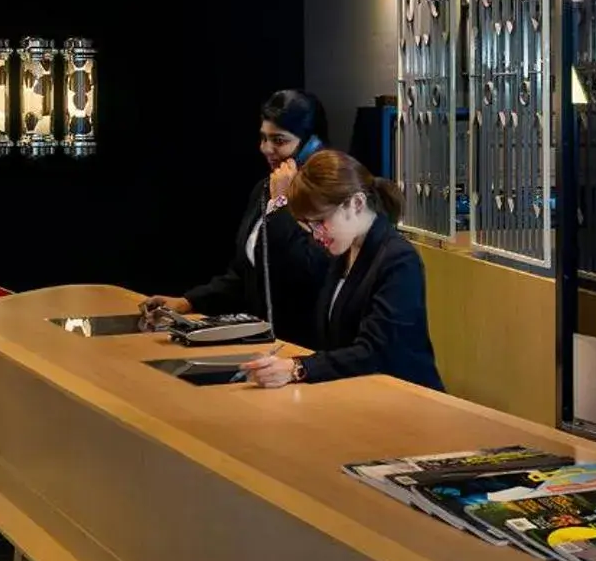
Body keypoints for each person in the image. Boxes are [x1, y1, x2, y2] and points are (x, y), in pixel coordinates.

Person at [240, 150, 443, 391]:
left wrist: (299, 368)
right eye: (310, 225)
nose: (316, 234)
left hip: (408, 398)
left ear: (356, 203)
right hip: (359, 394)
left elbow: (374, 352)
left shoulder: (399, 260)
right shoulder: (342, 253)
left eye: (321, 222)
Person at [141, 90, 332, 335]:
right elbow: (245, 275)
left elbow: (309, 271)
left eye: (279, 141)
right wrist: (189, 301)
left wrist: (282, 204)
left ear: (312, 145)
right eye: (263, 138)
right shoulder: (264, 190)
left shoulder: (329, 200)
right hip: (261, 341)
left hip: (306, 345)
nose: (266, 149)